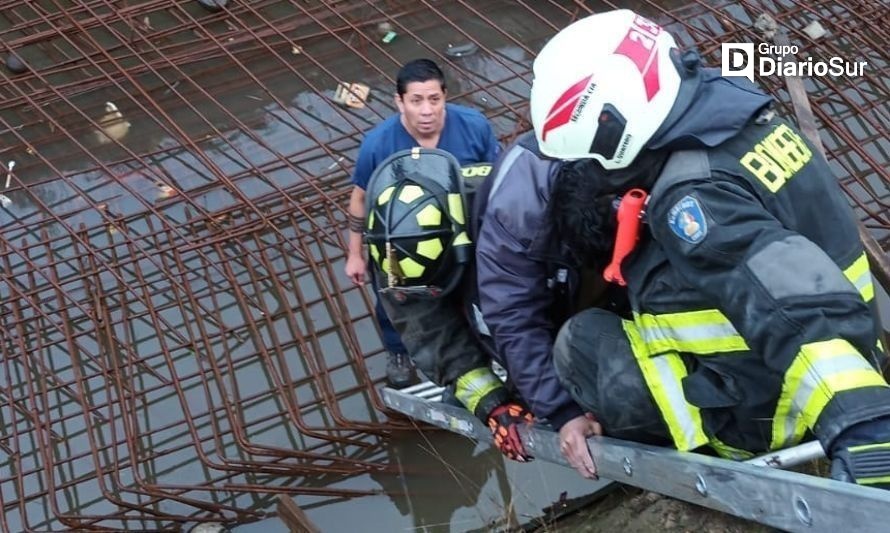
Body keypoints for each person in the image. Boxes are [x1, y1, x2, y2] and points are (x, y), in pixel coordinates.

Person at [491, 8, 890, 487]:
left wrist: (863, 422)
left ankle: (703, 447)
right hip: (857, 356)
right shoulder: (741, 117)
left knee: (582, 342)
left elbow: (793, 302)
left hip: (773, 410)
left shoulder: (691, 200)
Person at [364, 147, 532, 461]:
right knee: (468, 387)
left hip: (516, 290)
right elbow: (428, 333)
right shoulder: (392, 245)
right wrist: (495, 406)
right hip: (473, 307)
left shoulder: (509, 206)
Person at [345, 58, 500, 388]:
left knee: (474, 291)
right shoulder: (378, 143)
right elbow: (360, 197)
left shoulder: (475, 127)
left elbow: (497, 182)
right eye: (416, 101)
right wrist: (355, 254)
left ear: (445, 96)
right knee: (393, 295)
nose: (427, 111)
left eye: (435, 99)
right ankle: (398, 349)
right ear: (399, 102)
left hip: (461, 229)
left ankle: (477, 347)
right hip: (402, 238)